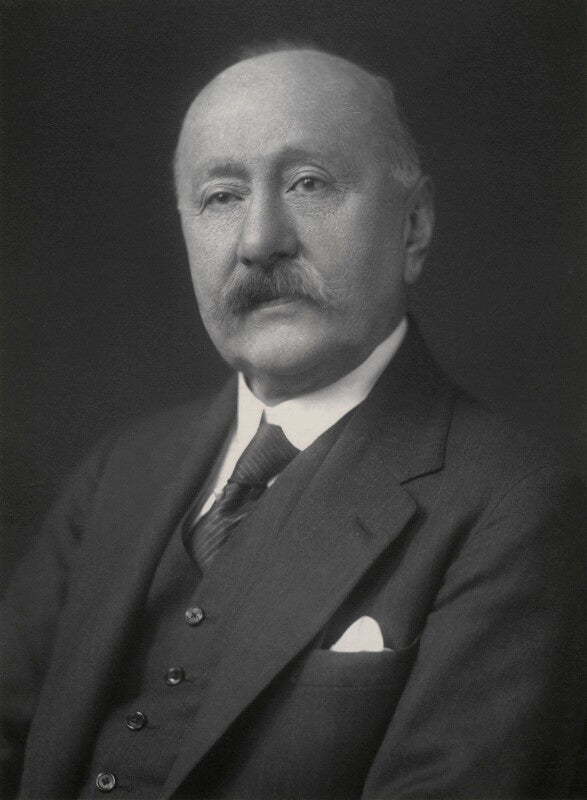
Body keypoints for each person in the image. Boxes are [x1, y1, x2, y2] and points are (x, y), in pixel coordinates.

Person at [1, 43, 585, 800]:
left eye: (309, 183)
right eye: (221, 197)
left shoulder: (515, 505)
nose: (259, 242)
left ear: (412, 227)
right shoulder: (122, 468)